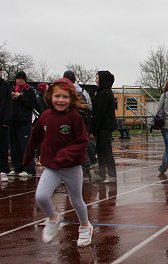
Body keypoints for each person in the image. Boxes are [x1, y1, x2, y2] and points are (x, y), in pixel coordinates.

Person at [23, 78, 93, 247]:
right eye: (57, 96)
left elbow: (83, 141)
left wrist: (66, 153)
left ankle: (85, 226)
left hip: (72, 167)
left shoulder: (75, 117)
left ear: (71, 98)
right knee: (41, 196)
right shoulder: (46, 116)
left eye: (65, 97)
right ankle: (53, 218)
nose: (60, 100)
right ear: (50, 96)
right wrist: (27, 155)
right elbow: (35, 136)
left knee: (76, 201)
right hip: (52, 167)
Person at [90, 71, 118, 183]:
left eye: (97, 78)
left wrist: (94, 129)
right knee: (100, 151)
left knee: (106, 151)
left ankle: (112, 175)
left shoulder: (105, 94)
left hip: (104, 127)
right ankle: (101, 175)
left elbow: (99, 113)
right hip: (102, 127)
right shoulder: (101, 92)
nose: (96, 80)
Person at [9, 71, 37, 177]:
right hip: (12, 122)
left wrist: (20, 97)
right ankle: (17, 167)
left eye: (22, 78)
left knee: (25, 146)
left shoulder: (29, 90)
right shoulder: (11, 89)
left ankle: (29, 168)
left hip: (24, 122)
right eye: (18, 78)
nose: (20, 80)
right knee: (14, 147)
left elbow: (32, 104)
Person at [0, 67, 12, 182]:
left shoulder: (5, 85)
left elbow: (8, 103)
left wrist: (6, 120)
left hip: (2, 121)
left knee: (3, 147)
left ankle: (3, 169)